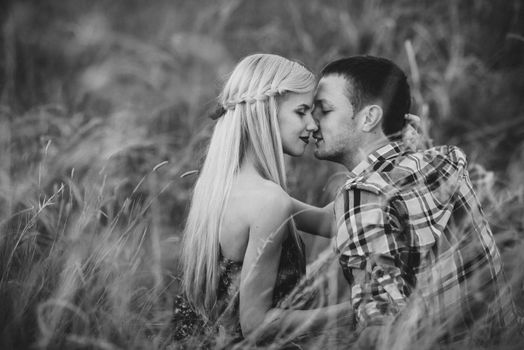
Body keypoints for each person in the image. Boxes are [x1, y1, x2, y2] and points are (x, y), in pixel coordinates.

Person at [303, 55, 516, 347]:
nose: (311, 123)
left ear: (368, 118)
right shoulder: (447, 161)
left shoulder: (363, 194)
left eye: (324, 110)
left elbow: (379, 325)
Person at [173, 53, 350, 346]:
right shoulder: (268, 202)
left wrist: (371, 151)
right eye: (301, 111)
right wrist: (352, 310)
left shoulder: (218, 186)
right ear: (265, 111)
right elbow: (256, 324)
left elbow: (333, 221)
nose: (313, 125)